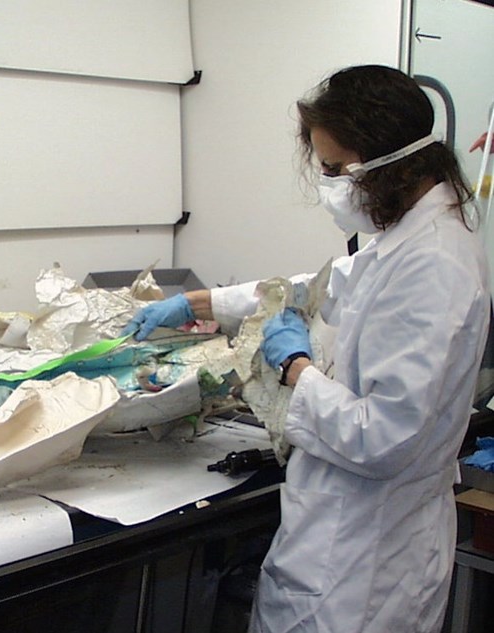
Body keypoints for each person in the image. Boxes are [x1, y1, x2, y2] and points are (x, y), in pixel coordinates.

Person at [122, 65, 490, 633]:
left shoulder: (433, 267)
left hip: (364, 562)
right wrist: (201, 302)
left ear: (391, 162)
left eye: (334, 169)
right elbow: (315, 287)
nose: (329, 186)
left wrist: (294, 367)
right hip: (344, 535)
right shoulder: (408, 239)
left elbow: (382, 438)